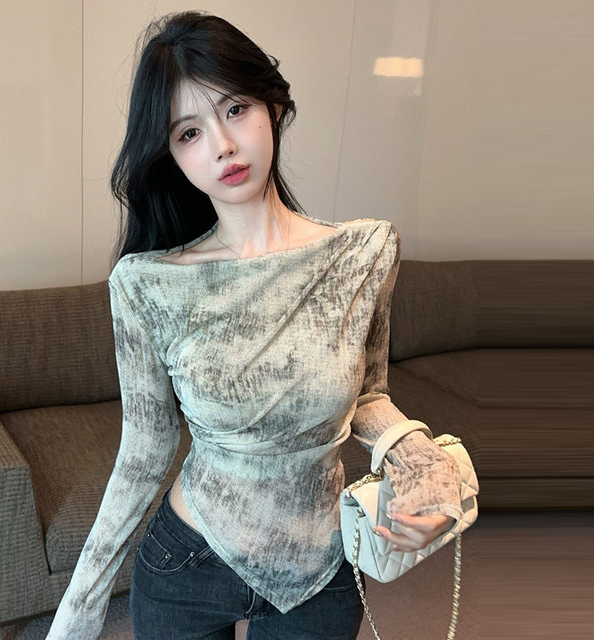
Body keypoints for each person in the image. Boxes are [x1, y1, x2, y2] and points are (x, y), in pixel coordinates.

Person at [45, 11, 462, 640]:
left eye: (235, 108)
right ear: (171, 155)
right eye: (189, 132)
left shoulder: (363, 253)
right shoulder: (146, 284)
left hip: (322, 566)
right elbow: (145, 450)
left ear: (273, 104)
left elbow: (368, 395)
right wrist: (79, 607)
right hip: (189, 561)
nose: (223, 145)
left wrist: (424, 462)